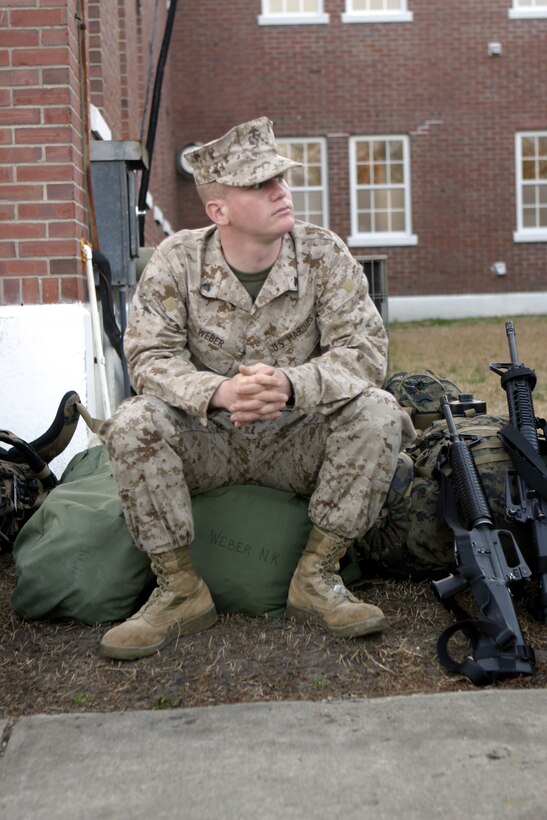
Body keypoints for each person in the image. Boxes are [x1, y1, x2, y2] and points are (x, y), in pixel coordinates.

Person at [99, 116, 416, 660]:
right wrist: (218, 393)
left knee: (379, 411)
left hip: (295, 441)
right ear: (218, 210)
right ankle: (179, 591)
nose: (281, 191)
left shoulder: (322, 254)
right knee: (133, 421)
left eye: (282, 179)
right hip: (209, 441)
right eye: (259, 184)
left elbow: (365, 352)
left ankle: (317, 579)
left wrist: (292, 385)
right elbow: (149, 358)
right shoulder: (176, 261)